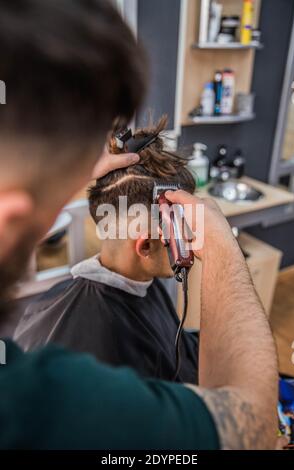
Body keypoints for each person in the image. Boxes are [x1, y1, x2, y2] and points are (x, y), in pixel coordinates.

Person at [0, 0, 278, 450]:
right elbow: (255, 430)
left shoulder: (130, 295)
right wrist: (221, 241)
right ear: (147, 243)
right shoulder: (62, 391)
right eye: (184, 235)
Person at [14, 116, 199, 383]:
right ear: (145, 244)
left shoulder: (145, 282)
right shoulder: (93, 344)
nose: (193, 237)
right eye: (184, 228)